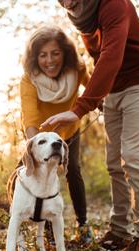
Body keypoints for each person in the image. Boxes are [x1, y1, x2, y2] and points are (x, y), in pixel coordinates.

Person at [41, 1, 139, 250]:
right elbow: (98, 60)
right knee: (114, 164)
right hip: (114, 89)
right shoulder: (80, 14)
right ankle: (120, 231)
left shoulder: (113, 4)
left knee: (133, 157)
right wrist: (98, 96)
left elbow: (111, 56)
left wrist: (80, 108)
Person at [19, 24, 93, 244]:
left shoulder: (77, 69)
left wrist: (101, 103)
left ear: (65, 54)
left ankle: (83, 224)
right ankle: (39, 229)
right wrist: (34, 150)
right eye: (42, 55)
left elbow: (94, 88)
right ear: (35, 58)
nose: (49, 60)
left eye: (55, 53)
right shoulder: (28, 80)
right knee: (30, 172)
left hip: (69, 131)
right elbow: (31, 119)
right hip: (40, 137)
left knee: (73, 171)